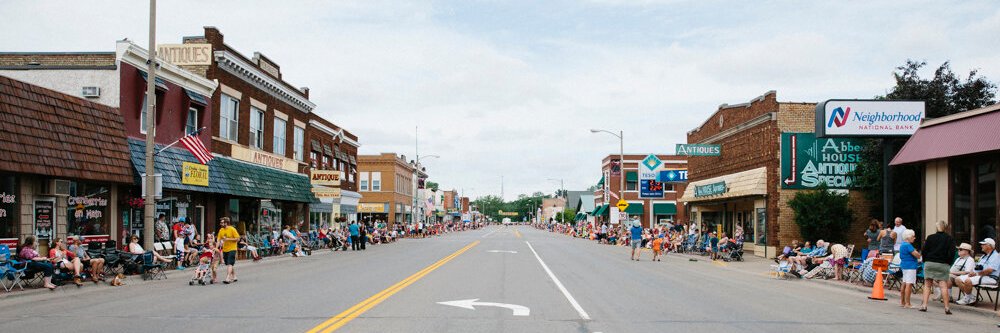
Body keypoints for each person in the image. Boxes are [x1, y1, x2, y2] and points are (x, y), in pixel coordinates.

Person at [919, 220, 955, 314]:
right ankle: (947, 308)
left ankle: (924, 305)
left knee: (927, 285)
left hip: (930, 262)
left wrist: (925, 261)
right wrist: (948, 263)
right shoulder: (949, 238)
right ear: (946, 228)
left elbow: (924, 250)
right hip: (943, 264)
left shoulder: (930, 237)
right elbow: (952, 253)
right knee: (943, 286)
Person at [955, 238, 1000, 305]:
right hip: (979, 275)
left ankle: (967, 298)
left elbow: (989, 270)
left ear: (989, 246)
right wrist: (972, 272)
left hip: (990, 278)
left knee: (968, 281)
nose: (981, 246)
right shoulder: (984, 256)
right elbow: (977, 267)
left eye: (983, 244)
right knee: (958, 279)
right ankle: (971, 297)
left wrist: (976, 273)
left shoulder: (996, 256)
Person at [898, 229, 920, 308]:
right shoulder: (908, 245)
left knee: (904, 283)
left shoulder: (902, 245)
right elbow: (917, 255)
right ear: (908, 237)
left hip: (904, 265)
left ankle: (902, 302)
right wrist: (919, 254)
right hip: (911, 266)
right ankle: (908, 303)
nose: (914, 238)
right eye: (913, 236)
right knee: (909, 284)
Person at [217, 217, 240, 284]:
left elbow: (238, 239)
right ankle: (234, 276)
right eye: (220, 222)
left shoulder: (232, 229)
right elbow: (218, 240)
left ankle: (228, 278)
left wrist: (228, 239)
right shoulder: (221, 230)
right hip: (225, 249)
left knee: (230, 263)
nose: (220, 224)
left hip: (232, 249)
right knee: (229, 264)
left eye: (222, 222)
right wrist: (215, 248)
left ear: (226, 223)